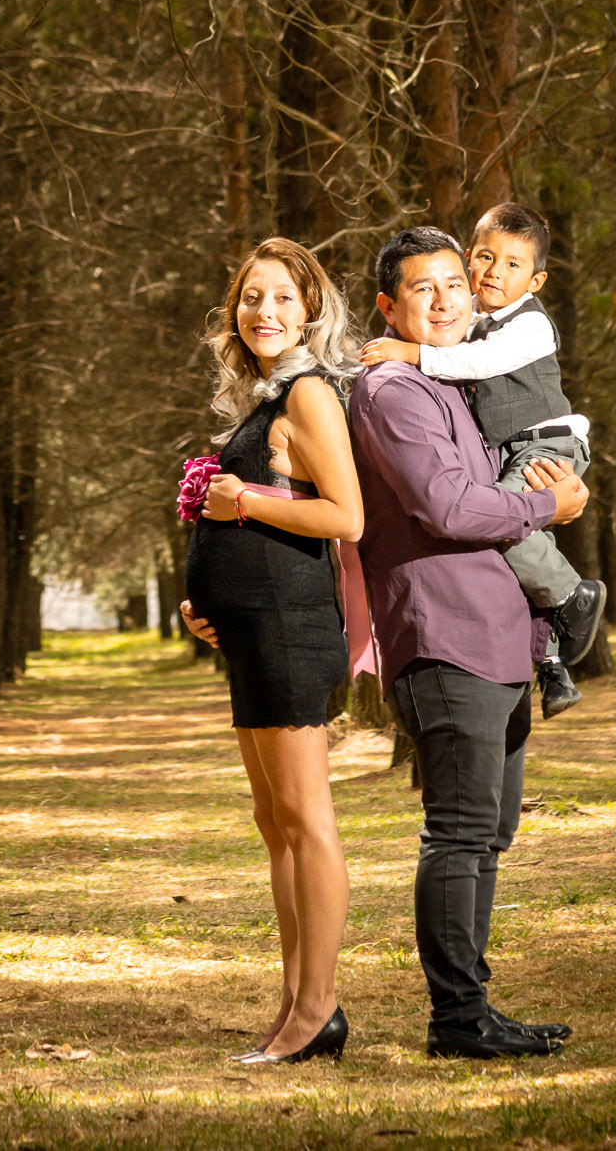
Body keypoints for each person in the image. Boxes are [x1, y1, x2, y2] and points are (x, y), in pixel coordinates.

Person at [351, 226, 590, 1060]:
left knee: (488, 835)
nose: (449, 299)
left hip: (497, 639)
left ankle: (476, 1008)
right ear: (388, 306)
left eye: (457, 283)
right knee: (455, 833)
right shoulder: (393, 391)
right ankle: (455, 1019)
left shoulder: (457, 382)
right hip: (443, 634)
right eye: (424, 288)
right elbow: (448, 509)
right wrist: (547, 510)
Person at [178, 238, 364, 1066]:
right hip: (251, 632)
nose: (265, 312)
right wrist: (204, 603)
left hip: (292, 631)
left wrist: (243, 498)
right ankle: (293, 1002)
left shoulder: (312, 394)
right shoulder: (264, 399)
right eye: (252, 297)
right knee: (274, 823)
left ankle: (318, 1009)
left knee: (307, 822)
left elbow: (344, 518)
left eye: (283, 298)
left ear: (310, 310)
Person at [360, 202, 606, 718]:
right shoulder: (468, 316)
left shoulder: (530, 327)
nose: (495, 272)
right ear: (470, 258)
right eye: (486, 258)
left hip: (545, 443)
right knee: (512, 531)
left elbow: (480, 362)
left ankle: (571, 596)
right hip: (514, 447)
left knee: (505, 523)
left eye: (513, 265)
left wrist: (410, 354)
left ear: (536, 281)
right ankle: (554, 663)